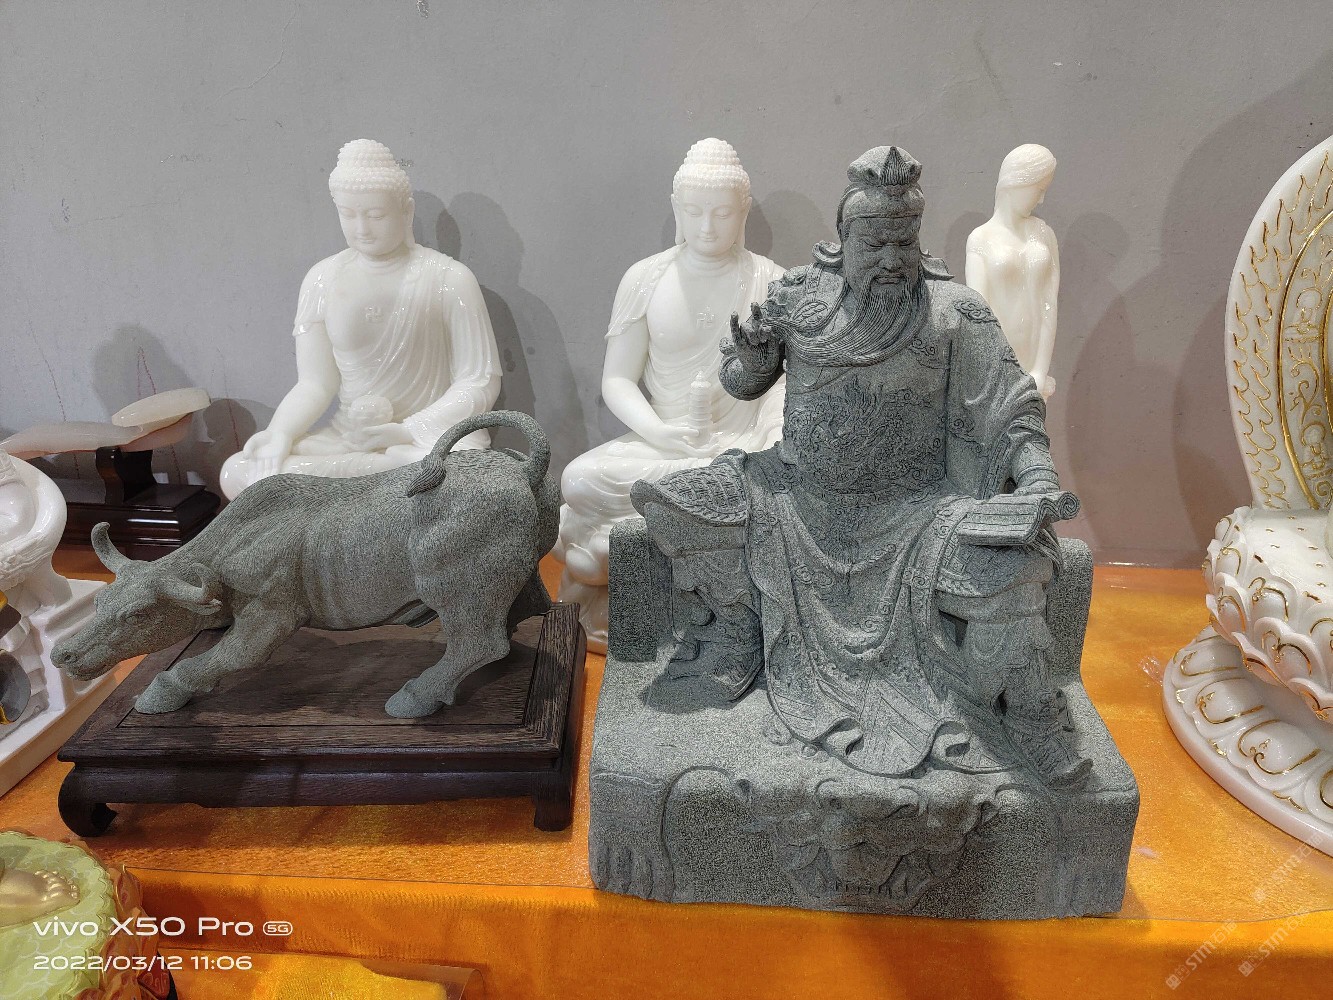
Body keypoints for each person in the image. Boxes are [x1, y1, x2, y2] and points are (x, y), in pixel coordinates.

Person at [632, 146, 1090, 788]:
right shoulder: (799, 299)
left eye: (904, 243)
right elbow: (741, 382)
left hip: (916, 513)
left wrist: (1037, 478)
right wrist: (751, 356)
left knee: (1012, 569)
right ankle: (737, 636)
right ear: (842, 239)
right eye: (874, 243)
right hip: (795, 500)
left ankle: (1033, 718)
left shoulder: (955, 311)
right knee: (681, 502)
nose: (891, 260)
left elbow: (1010, 405)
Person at [556, 138, 784, 648]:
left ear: (743, 211)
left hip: (739, 448)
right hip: (663, 444)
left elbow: (786, 383)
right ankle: (637, 550)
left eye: (722, 213)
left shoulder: (772, 282)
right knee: (579, 479)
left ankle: (608, 552)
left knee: (766, 487)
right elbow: (617, 380)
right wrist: (660, 432)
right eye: (695, 212)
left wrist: (765, 439)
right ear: (676, 209)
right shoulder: (645, 278)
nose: (708, 227)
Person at [220, 140, 501, 498]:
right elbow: (315, 384)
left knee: (462, 473)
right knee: (238, 473)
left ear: (406, 212)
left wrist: (407, 430)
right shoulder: (321, 280)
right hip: (353, 439)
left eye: (376, 215)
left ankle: (395, 473)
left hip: (429, 439)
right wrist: (280, 432)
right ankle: (394, 474)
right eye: (348, 214)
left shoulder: (449, 279)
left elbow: (479, 383)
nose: (362, 228)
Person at [965, 144, 1060, 399]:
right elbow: (979, 315)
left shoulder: (1044, 234)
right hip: (996, 367)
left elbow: (1049, 306)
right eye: (1038, 190)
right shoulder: (981, 239)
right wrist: (997, 369)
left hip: (1034, 366)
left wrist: (1040, 370)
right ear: (1016, 183)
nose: (1041, 200)